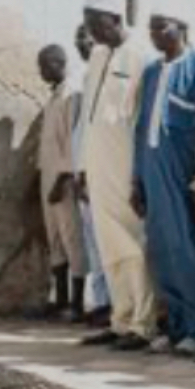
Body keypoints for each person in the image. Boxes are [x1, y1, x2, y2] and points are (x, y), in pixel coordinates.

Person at [132, 4, 195, 358]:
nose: (155, 34)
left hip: (182, 173)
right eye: (151, 28)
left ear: (182, 27)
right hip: (152, 172)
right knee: (161, 251)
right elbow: (141, 128)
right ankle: (177, 326)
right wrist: (137, 179)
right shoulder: (151, 72)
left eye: (162, 26)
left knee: (187, 250)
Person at [77, 0, 156, 351]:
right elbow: (88, 117)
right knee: (108, 245)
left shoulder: (140, 54)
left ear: (116, 19)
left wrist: (139, 174)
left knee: (132, 242)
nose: (93, 31)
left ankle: (143, 322)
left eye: (97, 23)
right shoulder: (96, 55)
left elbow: (141, 119)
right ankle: (120, 319)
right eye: (88, 24)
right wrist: (82, 167)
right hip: (97, 164)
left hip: (125, 164)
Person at [36, 45, 87, 322]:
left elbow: (73, 141)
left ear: (58, 63)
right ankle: (61, 300)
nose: (41, 71)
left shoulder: (72, 94)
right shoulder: (54, 96)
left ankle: (77, 304)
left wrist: (62, 178)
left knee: (71, 237)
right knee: (54, 237)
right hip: (48, 174)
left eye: (44, 65)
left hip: (63, 178)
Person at [72, 24, 112, 328]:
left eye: (87, 38)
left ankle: (111, 303)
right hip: (83, 172)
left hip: (100, 171)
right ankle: (100, 302)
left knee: (105, 241)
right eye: (79, 40)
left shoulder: (109, 75)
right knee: (92, 242)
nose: (83, 44)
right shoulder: (87, 78)